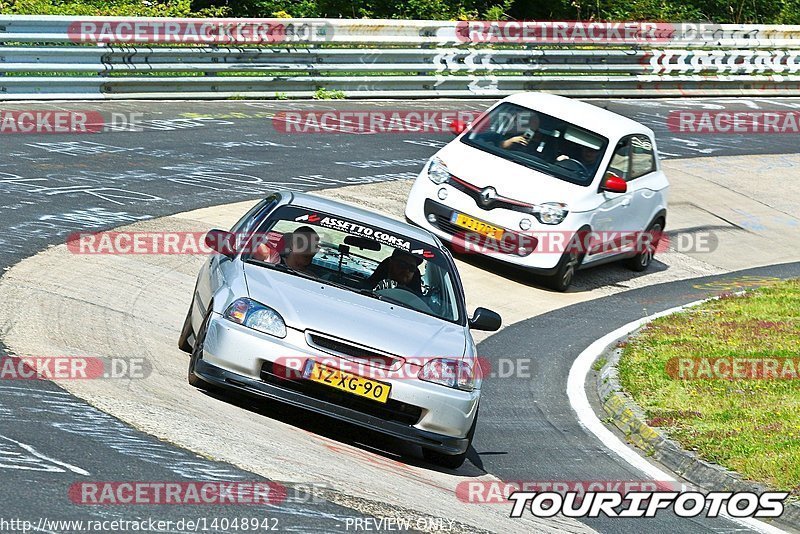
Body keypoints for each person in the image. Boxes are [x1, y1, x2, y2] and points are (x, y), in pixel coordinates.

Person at [252, 226, 321, 272]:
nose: (310, 252)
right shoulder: (274, 259)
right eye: (306, 246)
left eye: (315, 248)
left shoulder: (313, 277)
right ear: (292, 245)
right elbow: (251, 240)